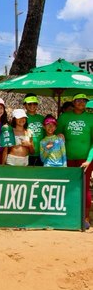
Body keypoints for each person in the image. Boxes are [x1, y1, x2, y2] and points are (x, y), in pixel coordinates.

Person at [57, 93, 93, 228]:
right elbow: (56, 135)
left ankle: (85, 218)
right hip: (66, 159)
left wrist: (89, 160)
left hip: (85, 160)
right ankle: (68, 215)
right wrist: (58, 135)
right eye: (78, 100)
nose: (81, 103)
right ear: (73, 102)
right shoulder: (64, 117)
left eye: (84, 100)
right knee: (67, 188)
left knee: (85, 189)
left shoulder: (91, 118)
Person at [23, 93, 45, 166]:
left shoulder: (42, 119)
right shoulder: (22, 119)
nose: (32, 106)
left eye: (34, 104)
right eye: (29, 104)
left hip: (41, 153)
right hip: (26, 153)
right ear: (25, 105)